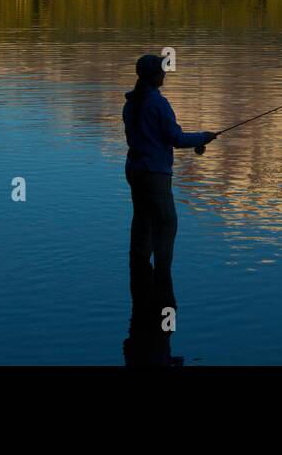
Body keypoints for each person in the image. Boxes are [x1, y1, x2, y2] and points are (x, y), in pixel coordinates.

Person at [121, 53, 216, 365]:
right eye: (162, 70)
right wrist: (203, 137)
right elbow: (173, 138)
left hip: (135, 169)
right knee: (167, 224)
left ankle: (140, 269)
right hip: (155, 173)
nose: (166, 73)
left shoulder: (131, 103)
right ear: (155, 75)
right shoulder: (157, 103)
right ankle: (162, 277)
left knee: (142, 222)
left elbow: (128, 347)